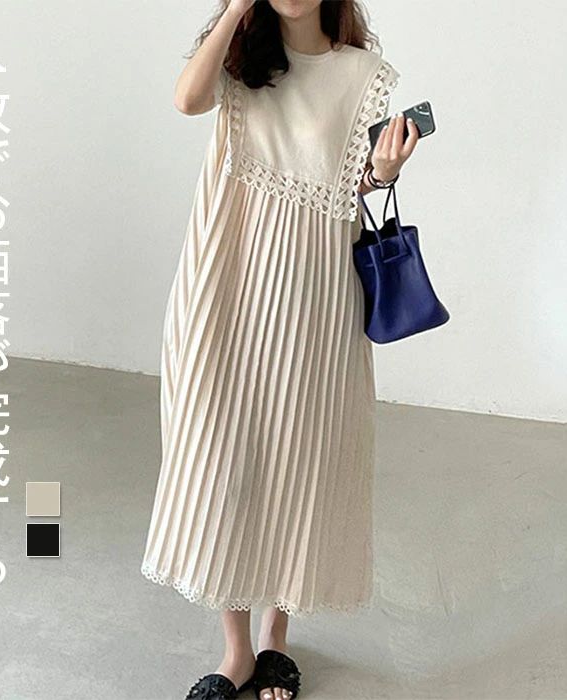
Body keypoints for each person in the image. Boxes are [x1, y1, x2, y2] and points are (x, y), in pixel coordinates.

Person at [140, 1, 419, 698]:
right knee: (220, 455)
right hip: (227, 275)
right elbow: (186, 100)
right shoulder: (241, 59)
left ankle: (275, 641)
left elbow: (350, 187)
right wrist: (235, 9)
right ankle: (234, 650)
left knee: (300, 455)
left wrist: (385, 172)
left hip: (314, 289)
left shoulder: (362, 74)